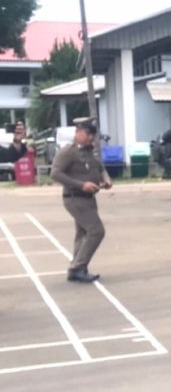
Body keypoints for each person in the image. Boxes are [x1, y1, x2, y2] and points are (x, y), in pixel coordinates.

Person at [50, 117, 112, 283]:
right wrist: (81, 185)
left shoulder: (90, 151)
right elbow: (55, 173)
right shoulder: (68, 152)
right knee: (96, 231)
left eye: (93, 134)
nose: (91, 137)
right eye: (88, 133)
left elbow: (100, 168)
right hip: (75, 198)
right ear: (77, 132)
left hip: (89, 199)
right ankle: (78, 267)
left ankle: (75, 267)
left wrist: (106, 179)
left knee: (82, 234)